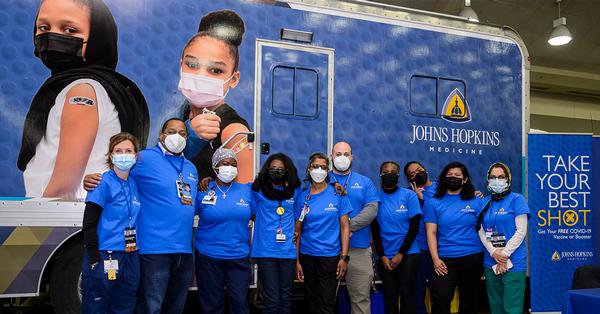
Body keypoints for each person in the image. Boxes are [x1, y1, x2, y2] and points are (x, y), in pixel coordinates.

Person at [19, 0, 149, 200]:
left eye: (70, 30)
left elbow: (63, 191)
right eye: (44, 27)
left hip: (65, 222)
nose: (52, 36)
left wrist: (35, 230)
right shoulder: (98, 87)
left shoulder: (83, 91)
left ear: (98, 38)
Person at [85, 118, 197, 314]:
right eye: (171, 132)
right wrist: (91, 178)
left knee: (175, 306)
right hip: (154, 250)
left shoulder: (191, 168)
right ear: (161, 135)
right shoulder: (144, 159)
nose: (177, 137)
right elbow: (118, 173)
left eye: (182, 133)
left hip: (184, 251)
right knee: (151, 306)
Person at [177, 10, 253, 183]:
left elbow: (242, 196)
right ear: (181, 65)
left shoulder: (234, 132)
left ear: (234, 79)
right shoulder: (179, 114)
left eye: (216, 70)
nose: (201, 76)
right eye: (192, 64)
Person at [81, 132, 141, 313]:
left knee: (125, 302)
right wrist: (93, 259)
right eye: (118, 150)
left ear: (135, 155)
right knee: (97, 303)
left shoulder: (134, 183)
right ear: (111, 155)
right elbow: (89, 224)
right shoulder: (102, 182)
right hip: (105, 254)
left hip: (130, 255)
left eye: (128, 150)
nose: (124, 154)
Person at [195, 148, 255, 314]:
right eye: (225, 163)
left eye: (233, 164)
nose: (230, 168)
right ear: (215, 166)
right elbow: (184, 214)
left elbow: (260, 216)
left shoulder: (247, 191)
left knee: (239, 302)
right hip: (208, 256)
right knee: (211, 304)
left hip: (238, 256)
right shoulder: (202, 190)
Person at [295, 152, 351, 314]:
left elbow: (345, 228)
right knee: (311, 302)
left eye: (323, 167)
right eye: (315, 166)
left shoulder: (337, 194)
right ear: (308, 168)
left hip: (330, 258)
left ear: (328, 171)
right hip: (307, 257)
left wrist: (344, 257)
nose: (318, 170)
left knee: (327, 304)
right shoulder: (303, 197)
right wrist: (297, 261)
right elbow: (297, 231)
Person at [424, 161, 484, 314]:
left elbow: (485, 228)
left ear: (465, 180)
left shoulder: (477, 201)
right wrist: (435, 259)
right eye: (449, 175)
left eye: (457, 175)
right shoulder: (433, 202)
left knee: (469, 301)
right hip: (444, 259)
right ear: (444, 178)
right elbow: (431, 232)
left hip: (472, 256)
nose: (453, 177)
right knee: (441, 298)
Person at [330, 141, 379, 314]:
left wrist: (347, 227)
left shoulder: (364, 182)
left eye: (346, 154)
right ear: (331, 157)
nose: (341, 158)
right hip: (328, 250)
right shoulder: (322, 180)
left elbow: (372, 210)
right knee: (324, 300)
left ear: (352, 157)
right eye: (338, 154)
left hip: (358, 249)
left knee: (360, 300)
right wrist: (341, 231)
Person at [251, 153, 302, 314]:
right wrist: (209, 180)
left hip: (287, 251)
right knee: (272, 299)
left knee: (286, 298)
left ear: (288, 171)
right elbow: (232, 188)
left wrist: (335, 185)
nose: (276, 171)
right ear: (267, 170)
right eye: (273, 168)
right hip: (266, 252)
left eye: (280, 169)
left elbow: (299, 216)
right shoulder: (256, 189)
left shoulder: (296, 191)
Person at [477, 162, 529, 314]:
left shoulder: (517, 199)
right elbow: (480, 230)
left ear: (508, 179)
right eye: (493, 177)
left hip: (513, 262)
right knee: (496, 308)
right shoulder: (484, 202)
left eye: (501, 177)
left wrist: (504, 254)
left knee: (511, 309)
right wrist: (494, 252)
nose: (497, 180)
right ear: (488, 180)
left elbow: (521, 230)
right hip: (491, 262)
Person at [372, 161, 422, 314]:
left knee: (408, 294)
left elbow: (414, 228)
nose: (389, 174)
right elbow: (375, 229)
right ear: (380, 175)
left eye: (393, 171)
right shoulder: (375, 198)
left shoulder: (409, 196)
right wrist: (382, 256)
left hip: (408, 253)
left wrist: (401, 254)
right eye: (385, 171)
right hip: (385, 255)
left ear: (398, 174)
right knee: (390, 296)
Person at [403, 161, 437, 314]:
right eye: (412, 174)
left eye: (419, 169)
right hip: (419, 250)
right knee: (417, 293)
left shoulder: (442, 188)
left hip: (440, 250)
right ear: (410, 180)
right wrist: (417, 198)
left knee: (440, 293)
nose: (417, 173)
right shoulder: (408, 195)